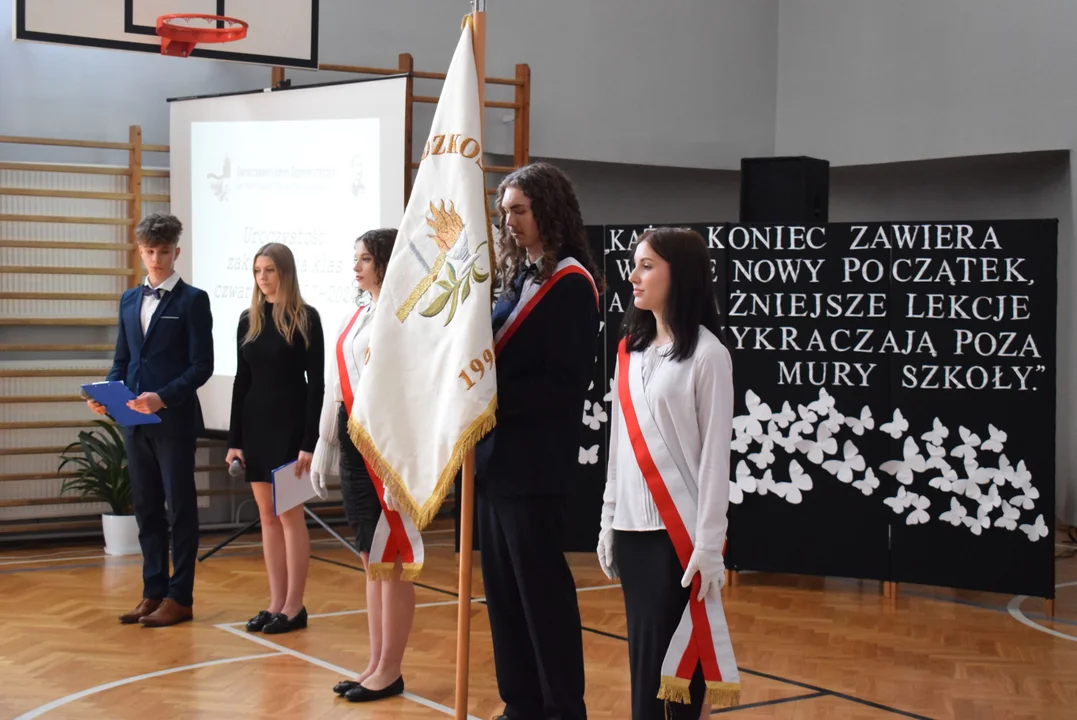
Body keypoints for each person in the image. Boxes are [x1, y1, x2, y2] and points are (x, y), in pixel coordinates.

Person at [475, 162, 603, 720]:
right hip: (493, 463)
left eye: (518, 211)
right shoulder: (512, 278)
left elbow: (565, 382)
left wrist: (491, 403)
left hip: (534, 465)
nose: (508, 222)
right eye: (503, 212)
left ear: (548, 211)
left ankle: (561, 707)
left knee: (540, 594)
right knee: (503, 594)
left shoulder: (571, 282)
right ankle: (519, 703)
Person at [597, 227, 740, 719]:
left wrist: (707, 544)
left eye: (647, 265)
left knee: (677, 672)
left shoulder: (708, 355)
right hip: (633, 532)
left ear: (680, 275)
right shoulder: (629, 351)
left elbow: (716, 458)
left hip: (678, 539)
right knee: (644, 662)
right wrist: (608, 519)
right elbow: (619, 448)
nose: (633, 276)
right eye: (635, 264)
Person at [89, 212, 213, 628]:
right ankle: (153, 591)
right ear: (139, 252)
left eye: (164, 251)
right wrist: (107, 395)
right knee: (145, 508)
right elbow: (122, 361)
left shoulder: (193, 300)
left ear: (176, 251)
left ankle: (182, 597)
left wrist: (163, 398)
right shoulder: (128, 299)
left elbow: (201, 366)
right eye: (149, 251)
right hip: (132, 421)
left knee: (180, 509)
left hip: (174, 420)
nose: (156, 259)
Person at [311, 228, 417, 703]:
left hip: (386, 447)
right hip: (353, 442)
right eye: (355, 258)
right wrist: (324, 442)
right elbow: (336, 385)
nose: (356, 266)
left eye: (365, 258)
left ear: (386, 262)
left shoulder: (403, 316)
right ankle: (375, 661)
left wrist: (400, 464)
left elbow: (409, 393)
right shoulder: (359, 314)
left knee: (390, 559)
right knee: (369, 558)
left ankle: (390, 669)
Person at [226, 242, 324, 635]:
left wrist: (309, 441)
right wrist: (234, 439)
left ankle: (295, 606)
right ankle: (275, 603)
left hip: (290, 428)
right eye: (257, 271)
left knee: (289, 516)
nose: (262, 278)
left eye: (269, 270)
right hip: (255, 426)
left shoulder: (306, 318)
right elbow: (240, 381)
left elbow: (315, 385)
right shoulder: (246, 320)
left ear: (284, 272)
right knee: (266, 517)